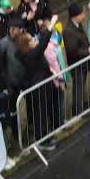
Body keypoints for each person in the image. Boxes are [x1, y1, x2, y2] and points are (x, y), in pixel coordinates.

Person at [15, 15, 59, 151]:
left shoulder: (32, 53)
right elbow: (43, 42)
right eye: (31, 39)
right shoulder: (29, 56)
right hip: (38, 88)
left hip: (44, 85)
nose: (34, 39)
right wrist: (51, 25)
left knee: (45, 112)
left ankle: (47, 136)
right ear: (27, 45)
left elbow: (40, 39)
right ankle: (42, 140)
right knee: (40, 115)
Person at [63, 2, 90, 116]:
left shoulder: (78, 25)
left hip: (83, 62)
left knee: (81, 85)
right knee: (78, 86)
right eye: (81, 14)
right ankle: (78, 111)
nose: (84, 15)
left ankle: (80, 106)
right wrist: (88, 51)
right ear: (74, 16)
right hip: (77, 64)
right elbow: (72, 51)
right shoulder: (68, 30)